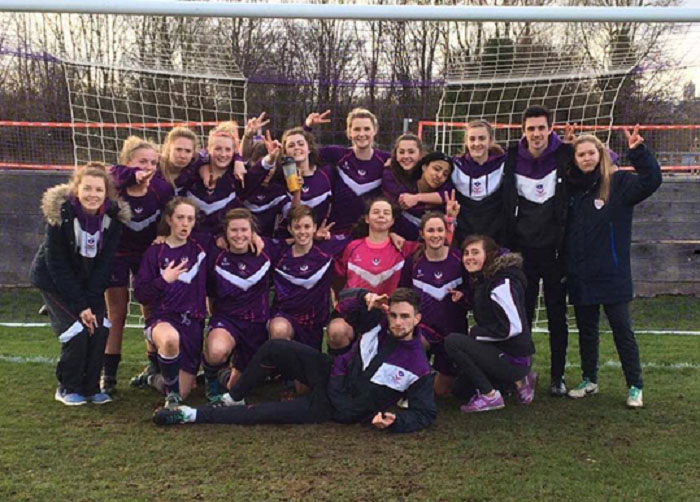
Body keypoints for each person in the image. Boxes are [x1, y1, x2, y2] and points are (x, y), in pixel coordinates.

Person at [153, 288, 436, 433]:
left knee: (267, 413)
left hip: (338, 406)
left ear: (417, 319)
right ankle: (234, 395)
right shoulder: (377, 322)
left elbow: (425, 414)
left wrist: (395, 421)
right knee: (276, 346)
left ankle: (189, 415)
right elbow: (342, 304)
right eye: (394, 315)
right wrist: (366, 298)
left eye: (405, 317)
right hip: (332, 373)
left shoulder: (418, 367)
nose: (397, 322)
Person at [565, 127, 661, 408]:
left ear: (601, 154)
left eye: (591, 153)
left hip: (612, 274)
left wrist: (638, 152)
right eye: (580, 154)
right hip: (581, 274)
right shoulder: (571, 189)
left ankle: (635, 386)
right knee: (587, 331)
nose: (586, 158)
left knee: (622, 331)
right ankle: (589, 379)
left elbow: (652, 180)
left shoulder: (618, 184)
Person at [30, 163, 130, 405]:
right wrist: (80, 305)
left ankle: (91, 387)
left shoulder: (113, 219)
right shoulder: (61, 215)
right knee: (76, 331)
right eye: (87, 189)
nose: (92, 195)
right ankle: (67, 388)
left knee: (100, 326)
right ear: (76, 189)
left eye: (99, 190)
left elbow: (104, 265)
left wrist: (92, 302)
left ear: (107, 193)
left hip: (88, 283)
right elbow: (57, 264)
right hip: (54, 282)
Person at [502, 105, 573, 396]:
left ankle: (558, 377)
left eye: (541, 128)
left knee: (558, 315)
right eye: (531, 128)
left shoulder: (566, 153)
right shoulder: (510, 156)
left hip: (555, 252)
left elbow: (603, 161)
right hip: (523, 252)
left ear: (550, 129)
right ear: (523, 131)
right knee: (523, 316)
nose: (536, 134)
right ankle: (523, 374)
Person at [102, 137, 174, 394]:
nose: (149, 166)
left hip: (147, 255)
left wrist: (165, 233)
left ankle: (153, 367)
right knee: (117, 314)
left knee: (151, 310)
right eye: (142, 161)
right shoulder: (114, 187)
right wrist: (132, 175)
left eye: (153, 162)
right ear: (127, 162)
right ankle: (108, 376)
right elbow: (110, 173)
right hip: (118, 255)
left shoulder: (160, 189)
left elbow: (172, 214)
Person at [445, 235, 537, 412]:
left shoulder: (502, 283)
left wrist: (477, 334)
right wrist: (465, 299)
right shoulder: (485, 278)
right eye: (466, 253)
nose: (469, 257)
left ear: (489, 254)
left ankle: (491, 395)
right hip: (500, 351)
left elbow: (513, 327)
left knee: (453, 342)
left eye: (475, 252)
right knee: (460, 390)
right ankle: (516, 382)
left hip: (514, 357)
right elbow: (490, 310)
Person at [133, 197, 208, 408]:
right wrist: (163, 281)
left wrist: (255, 237)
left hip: (192, 324)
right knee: (169, 339)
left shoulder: (202, 247)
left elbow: (232, 236)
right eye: (180, 217)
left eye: (190, 219)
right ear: (169, 219)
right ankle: (171, 398)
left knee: (187, 390)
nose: (185, 223)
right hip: (163, 318)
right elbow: (141, 294)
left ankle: (152, 379)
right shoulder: (155, 252)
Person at [202, 208, 273, 404]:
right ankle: (211, 381)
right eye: (234, 230)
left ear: (253, 232)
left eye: (244, 230)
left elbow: (294, 243)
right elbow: (210, 293)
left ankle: (224, 374)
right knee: (217, 351)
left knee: (239, 388)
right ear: (225, 233)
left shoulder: (267, 252)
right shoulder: (215, 255)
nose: (239, 235)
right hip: (228, 320)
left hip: (256, 325)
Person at [400, 211, 468, 396]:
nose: (436, 235)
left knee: (443, 393)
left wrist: (464, 296)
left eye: (440, 230)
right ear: (422, 234)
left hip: (453, 332)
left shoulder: (459, 259)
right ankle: (413, 380)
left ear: (446, 232)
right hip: (425, 329)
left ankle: (435, 374)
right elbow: (403, 294)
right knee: (413, 339)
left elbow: (472, 291)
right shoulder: (413, 262)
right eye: (430, 230)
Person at [304, 108, 390, 235]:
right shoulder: (337, 155)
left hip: (370, 234)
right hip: (337, 231)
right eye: (356, 129)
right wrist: (307, 127)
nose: (362, 134)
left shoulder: (386, 160)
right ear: (349, 132)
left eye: (366, 129)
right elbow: (304, 152)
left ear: (375, 131)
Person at [451, 119, 507, 245]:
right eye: (472, 139)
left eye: (482, 138)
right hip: (463, 237)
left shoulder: (504, 164)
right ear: (466, 141)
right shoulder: (454, 166)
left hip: (495, 236)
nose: (477, 143)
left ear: (490, 141)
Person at [387, 151, 454, 241]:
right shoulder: (404, 187)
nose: (439, 175)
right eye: (436, 169)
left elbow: (447, 195)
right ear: (424, 167)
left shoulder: (446, 193)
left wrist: (417, 198)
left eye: (445, 174)